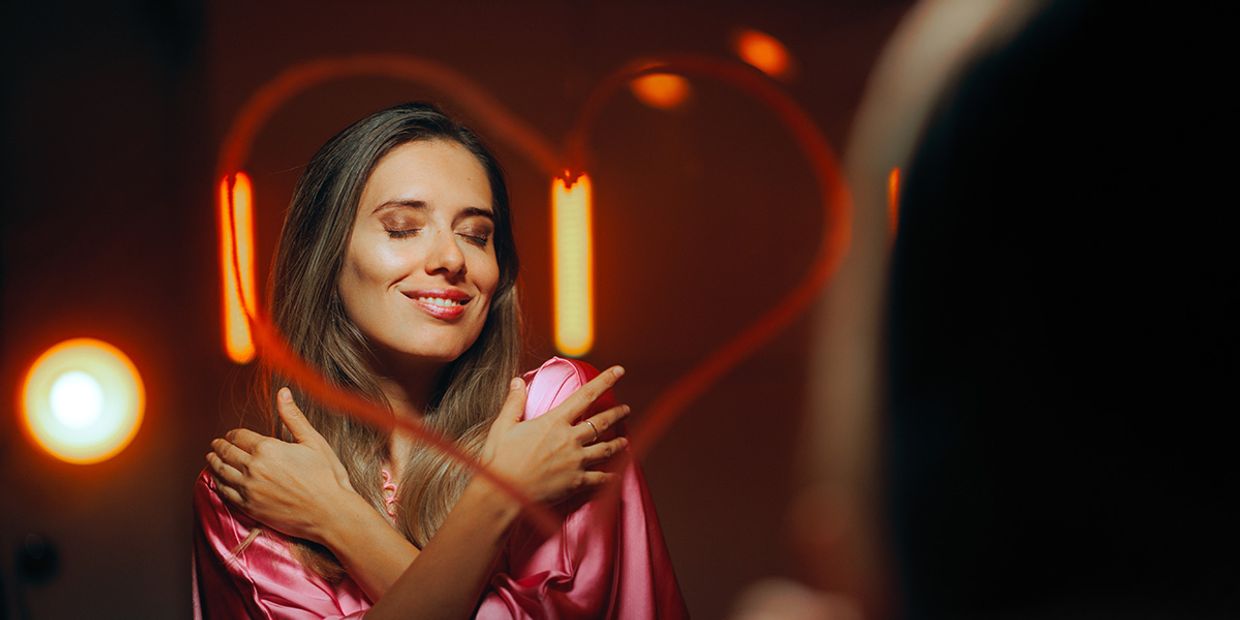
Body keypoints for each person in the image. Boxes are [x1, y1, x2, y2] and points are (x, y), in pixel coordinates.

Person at [193, 102, 686, 618]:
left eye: (476, 235)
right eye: (403, 228)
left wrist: (333, 517)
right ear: (326, 255)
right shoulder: (250, 493)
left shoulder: (554, 415)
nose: (452, 259)